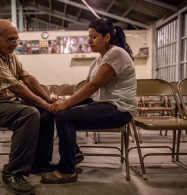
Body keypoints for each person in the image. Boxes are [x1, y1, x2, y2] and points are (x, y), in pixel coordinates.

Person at [41, 18, 137, 184]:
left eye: (94, 37)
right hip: (103, 104)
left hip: (119, 109)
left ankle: (68, 171)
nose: (89, 41)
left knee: (64, 116)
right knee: (54, 110)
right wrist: (63, 102)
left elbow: (94, 85)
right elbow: (86, 88)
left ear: (107, 37)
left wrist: (66, 104)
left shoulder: (116, 53)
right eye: (89, 36)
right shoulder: (97, 61)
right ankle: (71, 155)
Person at [0, 19, 56, 194]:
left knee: (45, 112)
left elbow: (27, 78)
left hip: (6, 104)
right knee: (29, 113)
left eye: (16, 39)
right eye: (10, 40)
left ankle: (39, 164)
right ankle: (12, 172)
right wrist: (44, 102)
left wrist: (48, 101)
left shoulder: (10, 55)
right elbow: (15, 86)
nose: (15, 44)